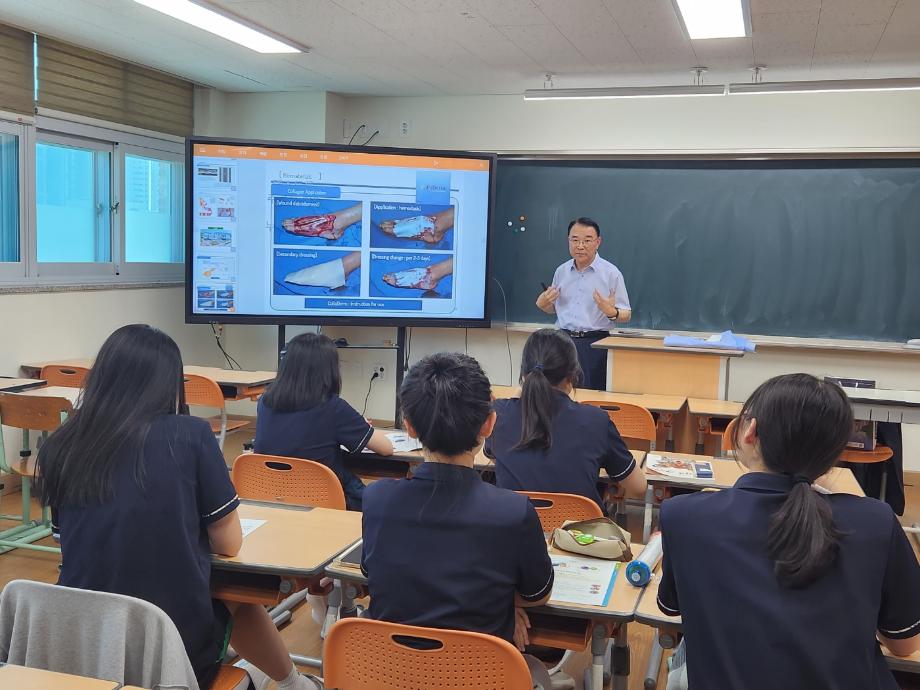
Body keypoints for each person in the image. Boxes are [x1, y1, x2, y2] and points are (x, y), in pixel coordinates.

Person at [36, 324, 319, 690]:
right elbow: (229, 543)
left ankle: (284, 681)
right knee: (236, 596)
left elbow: (65, 540)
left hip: (83, 644)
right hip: (166, 649)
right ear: (169, 383)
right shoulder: (191, 435)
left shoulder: (60, 444)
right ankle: (285, 682)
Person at [657, 373, 920, 690]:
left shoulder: (684, 517)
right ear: (836, 452)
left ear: (749, 431)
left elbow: (673, 608)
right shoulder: (876, 522)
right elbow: (904, 644)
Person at [361, 352, 554, 671]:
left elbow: (374, 575)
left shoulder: (377, 498)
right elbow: (538, 594)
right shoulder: (513, 512)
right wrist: (502, 599)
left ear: (409, 426)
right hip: (480, 674)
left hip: (393, 673)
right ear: (489, 424)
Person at [485, 328, 646, 510]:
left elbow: (495, 456)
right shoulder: (596, 421)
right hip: (576, 528)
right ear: (572, 376)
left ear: (523, 374)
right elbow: (638, 488)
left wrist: (522, 390)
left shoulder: (499, 414)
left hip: (514, 525)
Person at [255, 332, 394, 511]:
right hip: (324, 500)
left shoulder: (264, 402)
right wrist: (359, 426)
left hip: (270, 498)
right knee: (381, 500)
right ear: (329, 370)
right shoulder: (333, 407)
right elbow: (386, 448)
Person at [535, 217, 631, 390]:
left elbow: (626, 314)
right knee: (557, 393)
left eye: (587, 241)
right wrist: (543, 304)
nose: (580, 246)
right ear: (568, 241)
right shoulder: (561, 271)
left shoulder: (611, 273)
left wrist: (611, 312)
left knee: (591, 394)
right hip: (562, 341)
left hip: (594, 344)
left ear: (598, 242)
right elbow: (555, 309)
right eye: (575, 240)